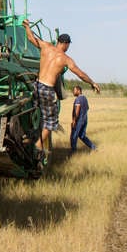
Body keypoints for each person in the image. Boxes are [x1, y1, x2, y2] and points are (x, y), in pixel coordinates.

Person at [22, 20, 100, 157]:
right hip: (47, 89)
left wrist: (27, 27)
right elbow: (80, 74)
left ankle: (29, 136)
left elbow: (30, 38)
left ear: (57, 41)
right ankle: (37, 147)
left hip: (36, 86)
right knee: (51, 122)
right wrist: (92, 83)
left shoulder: (45, 46)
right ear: (66, 44)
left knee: (35, 113)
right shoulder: (65, 59)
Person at [70, 85, 96, 151]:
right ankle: (93, 148)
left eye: (74, 90)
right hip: (85, 120)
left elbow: (77, 110)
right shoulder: (84, 98)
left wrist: (74, 120)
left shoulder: (78, 99)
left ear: (79, 91)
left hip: (78, 120)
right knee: (82, 136)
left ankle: (73, 153)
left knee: (74, 136)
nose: (73, 92)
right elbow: (87, 108)